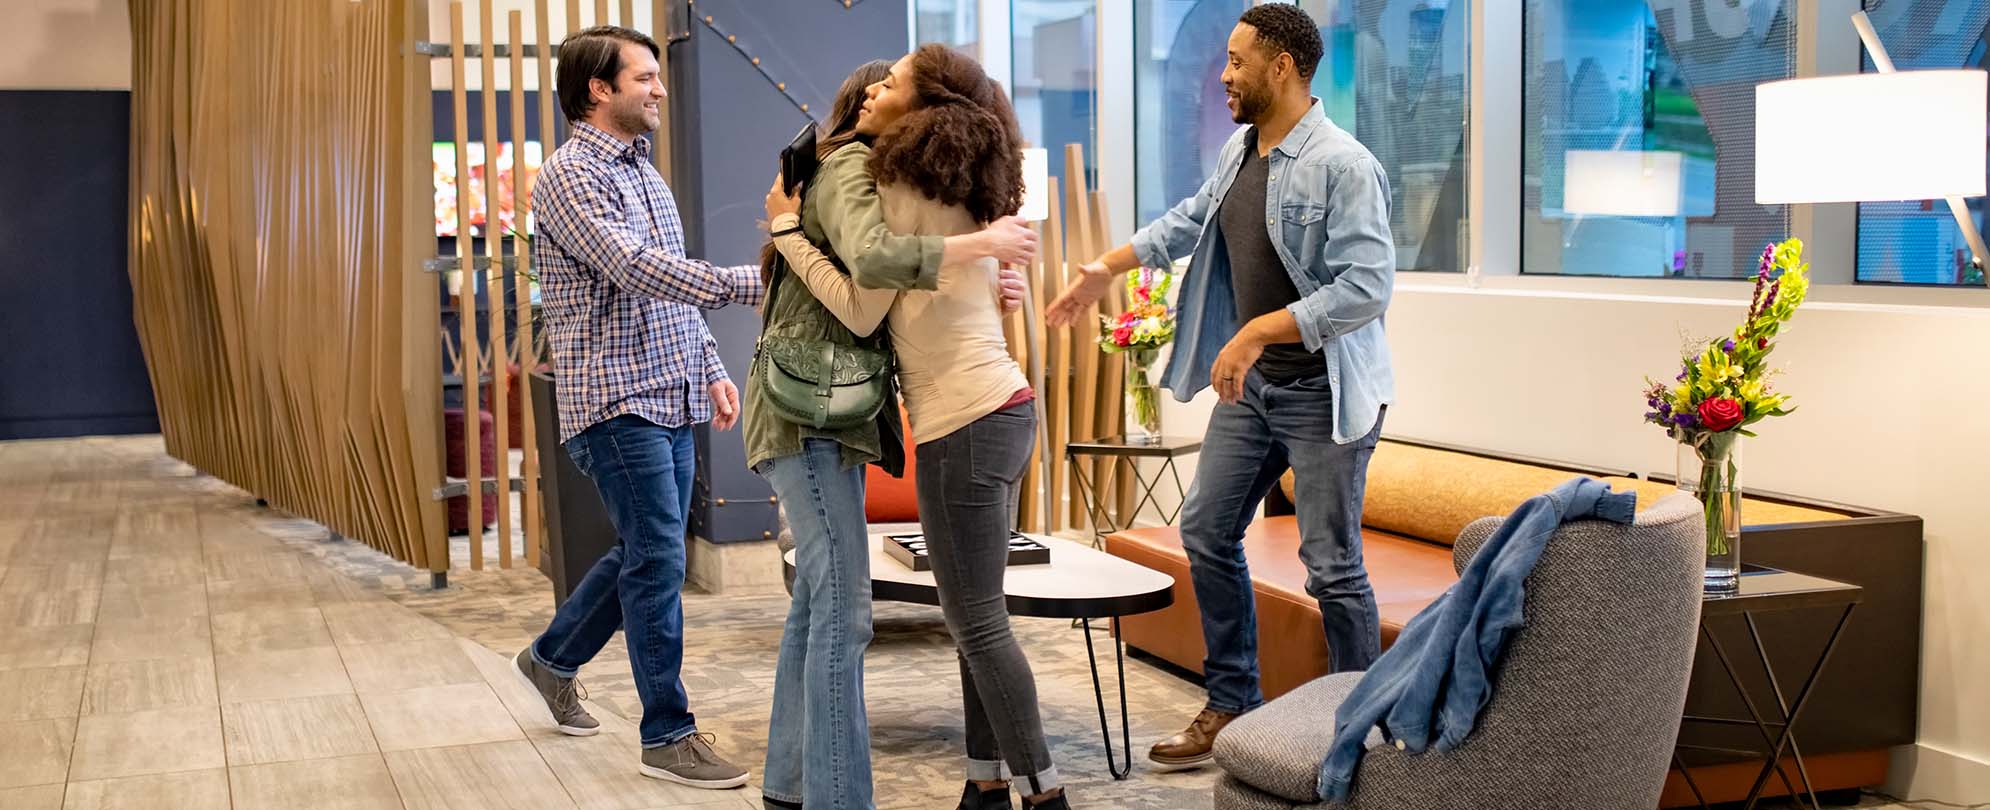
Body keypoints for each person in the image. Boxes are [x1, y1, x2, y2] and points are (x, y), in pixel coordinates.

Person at [1046, 3, 1398, 772]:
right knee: (1205, 530)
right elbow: (1188, 222)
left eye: (1237, 61)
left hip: (1326, 392)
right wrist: (1104, 268)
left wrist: (1253, 332)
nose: (1223, 74)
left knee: (1332, 566)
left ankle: (1356, 734)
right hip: (1260, 393)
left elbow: (1367, 288)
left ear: (1282, 67)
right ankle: (1233, 699)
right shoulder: (1241, 152)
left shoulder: (1343, 164)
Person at [772, 44, 1071, 810]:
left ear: (925, 104)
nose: (880, 88)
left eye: (895, 82)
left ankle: (1045, 791)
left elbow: (866, 288)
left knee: (976, 623)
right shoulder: (968, 181)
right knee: (981, 615)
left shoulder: (899, 182)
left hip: (963, 424)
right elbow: (984, 277)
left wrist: (788, 235)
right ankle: (984, 783)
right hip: (1005, 407)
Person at [509, 25, 759, 789]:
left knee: (650, 551)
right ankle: (667, 733)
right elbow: (635, 267)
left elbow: (667, 284)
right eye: (644, 77)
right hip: (616, 399)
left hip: (668, 387)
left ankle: (551, 659)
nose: (658, 89)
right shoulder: (571, 175)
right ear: (598, 89)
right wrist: (754, 282)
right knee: (657, 557)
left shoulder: (645, 173)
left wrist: (711, 364)